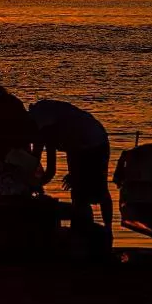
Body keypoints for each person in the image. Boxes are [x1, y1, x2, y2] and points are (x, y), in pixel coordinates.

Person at [29, 99, 113, 230]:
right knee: (78, 191)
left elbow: (52, 167)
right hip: (77, 145)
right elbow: (40, 161)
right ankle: (82, 229)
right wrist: (34, 184)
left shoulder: (44, 125)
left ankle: (107, 230)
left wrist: (76, 174)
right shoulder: (39, 125)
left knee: (99, 189)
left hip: (94, 142)